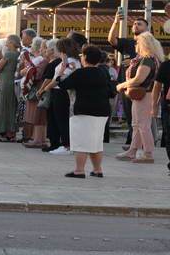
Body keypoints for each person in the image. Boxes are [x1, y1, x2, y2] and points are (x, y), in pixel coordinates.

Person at [59, 45, 117, 178]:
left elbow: (63, 85)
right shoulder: (104, 72)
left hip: (84, 110)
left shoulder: (80, 73)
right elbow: (111, 92)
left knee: (81, 142)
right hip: (102, 110)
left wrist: (62, 71)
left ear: (85, 57)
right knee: (96, 142)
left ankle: (79, 170)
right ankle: (97, 169)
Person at [115, 32, 164, 164]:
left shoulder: (147, 59)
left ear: (143, 44)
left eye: (137, 42)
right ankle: (133, 150)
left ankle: (148, 153)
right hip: (144, 94)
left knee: (142, 125)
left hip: (144, 94)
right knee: (137, 124)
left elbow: (139, 79)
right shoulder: (151, 59)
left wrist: (122, 85)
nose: (135, 45)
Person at [108, 13, 149, 147]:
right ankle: (133, 143)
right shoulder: (128, 43)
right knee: (131, 117)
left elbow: (153, 61)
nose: (136, 25)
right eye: (135, 24)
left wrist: (133, 62)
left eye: (140, 24)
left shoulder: (150, 44)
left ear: (147, 29)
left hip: (143, 86)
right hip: (126, 86)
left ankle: (142, 146)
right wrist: (115, 21)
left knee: (141, 119)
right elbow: (112, 40)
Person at [46, 38, 80, 155]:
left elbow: (61, 78)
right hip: (59, 91)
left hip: (62, 92)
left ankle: (67, 145)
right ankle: (64, 143)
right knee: (59, 119)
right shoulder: (67, 61)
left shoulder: (70, 62)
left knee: (63, 119)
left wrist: (46, 88)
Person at [0, 35, 20, 142]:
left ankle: (6, 132)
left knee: (5, 106)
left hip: (6, 81)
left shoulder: (9, 54)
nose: (6, 42)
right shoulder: (18, 54)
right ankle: (12, 132)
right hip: (13, 81)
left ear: (12, 43)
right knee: (12, 106)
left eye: (8, 41)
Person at [151, 47, 170, 175]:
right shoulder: (166, 66)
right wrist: (154, 105)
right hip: (168, 106)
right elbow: (157, 86)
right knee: (168, 136)